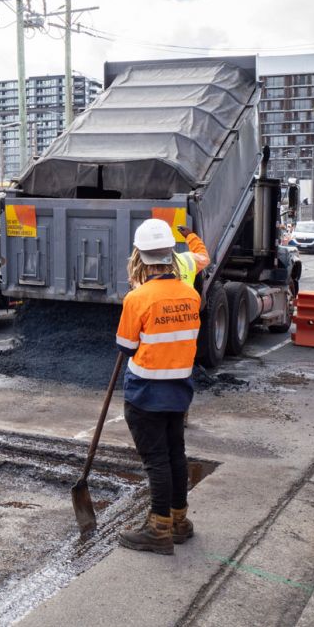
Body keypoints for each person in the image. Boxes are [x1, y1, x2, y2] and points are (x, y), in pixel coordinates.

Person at [115, 218, 201, 555]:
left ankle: (158, 528)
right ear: (170, 254)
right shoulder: (190, 294)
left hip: (146, 392)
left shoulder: (138, 298)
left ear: (139, 256)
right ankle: (179, 521)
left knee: (156, 461)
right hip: (179, 389)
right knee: (175, 454)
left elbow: (125, 345)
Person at [174, 225, 210, 291]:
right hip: (187, 299)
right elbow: (204, 258)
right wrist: (190, 235)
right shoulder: (184, 260)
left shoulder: (149, 266)